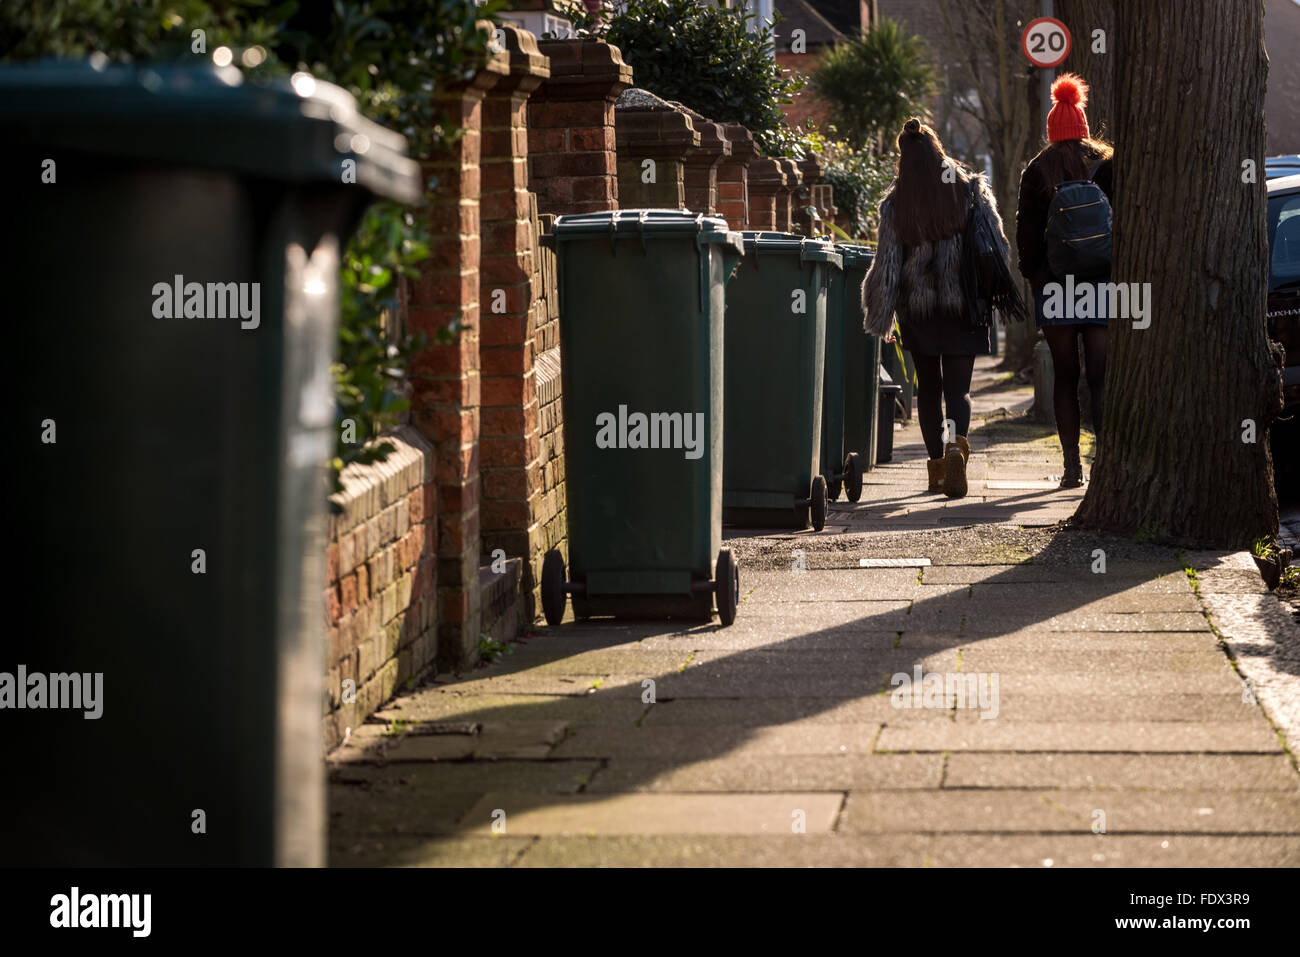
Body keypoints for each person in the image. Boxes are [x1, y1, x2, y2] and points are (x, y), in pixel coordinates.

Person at [861, 118, 1016, 498]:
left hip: (920, 309)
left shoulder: (896, 203)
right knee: (959, 391)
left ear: (904, 159)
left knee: (929, 390)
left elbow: (887, 261)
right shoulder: (969, 190)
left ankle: (937, 471)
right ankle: (956, 447)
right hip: (965, 305)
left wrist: (881, 311)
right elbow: (996, 243)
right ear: (938, 151)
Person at [1016, 73, 1114, 488]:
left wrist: (1040, 279)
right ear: (1085, 128)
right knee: (1100, 374)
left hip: (1056, 287)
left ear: (1053, 132)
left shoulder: (1037, 171)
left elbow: (1025, 239)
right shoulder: (1106, 164)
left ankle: (1071, 467)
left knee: (1065, 376)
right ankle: (1106, 464)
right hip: (1103, 284)